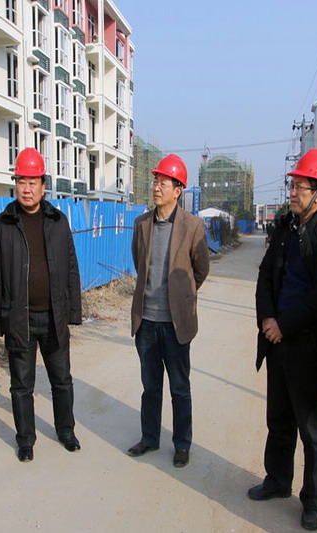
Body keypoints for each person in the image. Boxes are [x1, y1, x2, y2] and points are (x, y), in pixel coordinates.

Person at [250, 149, 317, 530]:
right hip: (277, 341)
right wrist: (267, 318)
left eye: (300, 187)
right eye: (292, 186)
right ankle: (277, 480)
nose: (292, 193)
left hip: (308, 346)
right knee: (278, 418)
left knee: (312, 430)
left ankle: (314, 499)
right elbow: (265, 276)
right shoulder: (284, 229)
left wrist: (285, 325)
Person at [0, 147, 82, 463]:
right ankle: (25, 440)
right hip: (19, 318)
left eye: (32, 182)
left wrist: (74, 312)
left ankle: (66, 431)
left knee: (61, 380)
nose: (26, 189)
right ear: (16, 184)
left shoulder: (58, 222)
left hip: (54, 316)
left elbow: (71, 267)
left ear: (43, 185)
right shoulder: (1, 225)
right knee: (21, 385)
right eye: (21, 182)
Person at [126, 154, 210, 468]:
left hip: (175, 324)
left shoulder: (193, 226)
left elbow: (201, 269)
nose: (156, 187)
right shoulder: (142, 224)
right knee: (150, 387)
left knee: (179, 388)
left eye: (163, 182)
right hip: (146, 322)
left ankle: (182, 444)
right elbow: (139, 262)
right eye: (155, 181)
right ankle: (149, 438)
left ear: (178, 190)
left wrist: (181, 297)